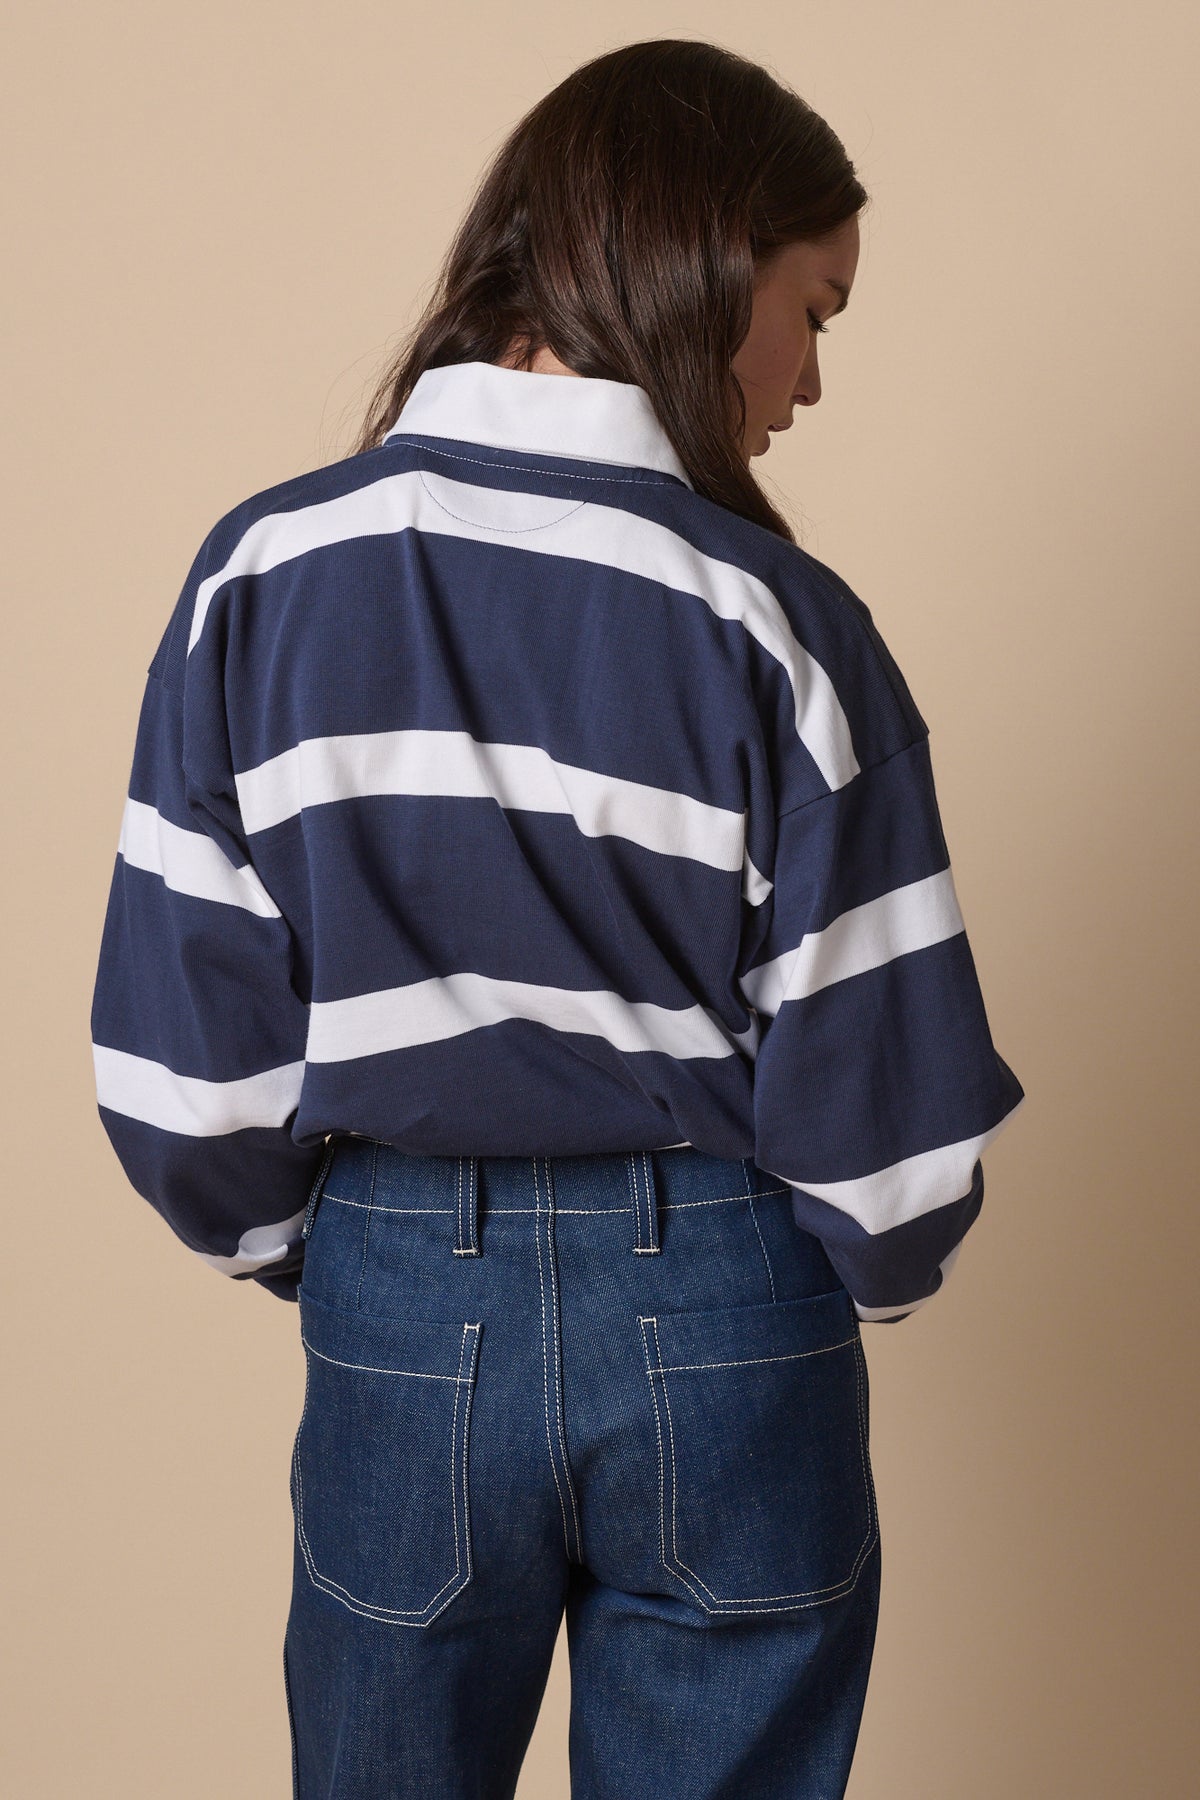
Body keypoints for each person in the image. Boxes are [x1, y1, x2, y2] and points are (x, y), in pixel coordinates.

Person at [89, 36, 1025, 1800]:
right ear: (706, 253)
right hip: (730, 1312)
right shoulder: (781, 622)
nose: (811, 378)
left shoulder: (260, 579)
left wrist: (365, 1250)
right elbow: (894, 1168)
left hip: (395, 1298)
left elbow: (178, 1088)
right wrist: (840, 1270)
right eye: (814, 309)